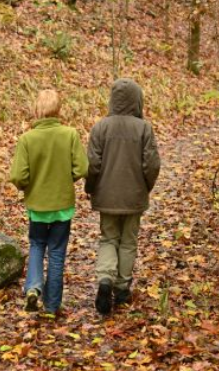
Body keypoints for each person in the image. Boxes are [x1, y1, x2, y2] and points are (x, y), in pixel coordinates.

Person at [85, 78, 161, 315]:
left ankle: (105, 279)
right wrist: (145, 187)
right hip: (134, 196)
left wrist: (91, 187)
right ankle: (122, 288)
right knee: (128, 241)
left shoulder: (100, 127)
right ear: (138, 100)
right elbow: (152, 164)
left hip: (106, 196)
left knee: (108, 238)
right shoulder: (144, 128)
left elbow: (93, 164)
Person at [9, 89, 88, 316]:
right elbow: (82, 167)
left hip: (37, 207)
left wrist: (29, 187)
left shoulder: (27, 139)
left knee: (36, 245)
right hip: (63, 206)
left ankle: (33, 287)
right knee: (56, 253)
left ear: (37, 110)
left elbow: (17, 175)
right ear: (58, 109)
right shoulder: (70, 134)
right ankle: (52, 306)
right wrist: (67, 179)